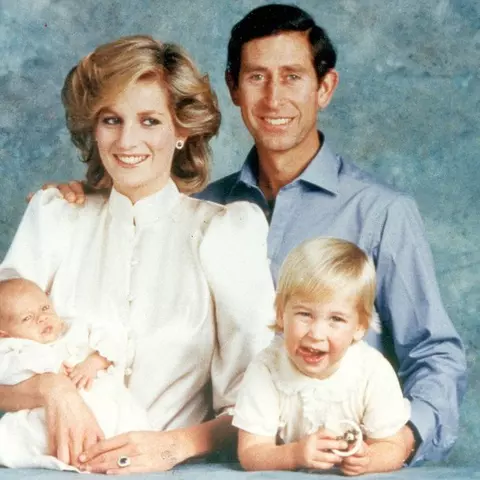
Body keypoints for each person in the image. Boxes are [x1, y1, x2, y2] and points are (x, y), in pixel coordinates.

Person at [31, 3, 467, 467]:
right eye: (257, 77)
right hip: (229, 462)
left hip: (341, 465)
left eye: (293, 77)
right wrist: (87, 198)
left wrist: (402, 441)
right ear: (234, 88)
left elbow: (433, 350)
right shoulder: (206, 211)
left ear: (324, 88)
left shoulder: (381, 213)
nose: (274, 98)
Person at [0, 35, 275, 474]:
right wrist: (53, 390)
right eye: (111, 119)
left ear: (182, 131)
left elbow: (262, 400)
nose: (127, 140)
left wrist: (172, 447)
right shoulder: (54, 217)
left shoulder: (225, 232)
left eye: (150, 121)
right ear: (93, 129)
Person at [233, 237, 410, 475]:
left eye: (336, 319)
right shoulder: (266, 369)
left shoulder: (373, 372)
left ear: (360, 326)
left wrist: (369, 460)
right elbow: (251, 452)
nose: (316, 334)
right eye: (304, 314)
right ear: (281, 314)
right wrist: (293, 455)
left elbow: (394, 445)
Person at [0, 278, 151, 471]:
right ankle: (77, 455)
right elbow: (9, 371)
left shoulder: (76, 328)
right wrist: (49, 368)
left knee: (128, 419)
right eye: (27, 318)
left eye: (45, 308)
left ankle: (107, 451)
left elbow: (116, 344)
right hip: (51, 415)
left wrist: (93, 363)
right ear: (4, 334)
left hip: (105, 399)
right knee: (20, 435)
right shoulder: (15, 348)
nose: (42, 318)